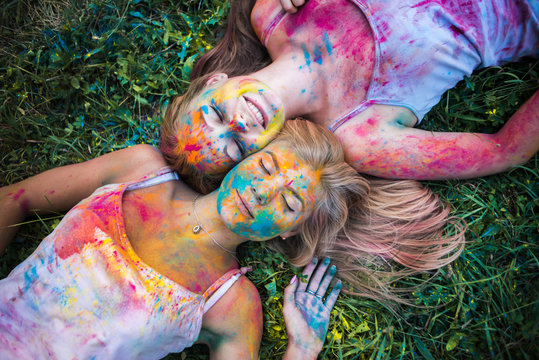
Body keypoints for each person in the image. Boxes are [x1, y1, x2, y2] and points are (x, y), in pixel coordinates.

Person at [0, 120, 464, 358]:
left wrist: (302, 348)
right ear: (246, 157)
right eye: (264, 168)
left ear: (287, 231)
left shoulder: (231, 305)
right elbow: (15, 199)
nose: (260, 193)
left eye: (285, 204)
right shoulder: (139, 170)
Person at [160, 0, 539, 191]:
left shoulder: (269, 10)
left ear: (213, 82)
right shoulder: (362, 137)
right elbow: (504, 151)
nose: (238, 123)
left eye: (214, 115)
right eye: (236, 148)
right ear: (257, 158)